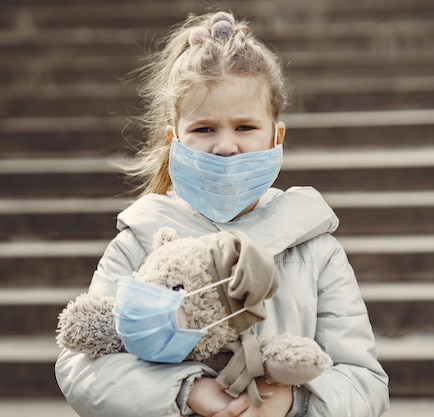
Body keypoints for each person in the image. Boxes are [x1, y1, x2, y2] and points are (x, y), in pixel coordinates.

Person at [55, 9, 390, 417]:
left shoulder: (318, 251)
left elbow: (363, 380)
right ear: (174, 139)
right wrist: (185, 391)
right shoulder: (139, 242)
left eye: (245, 127)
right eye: (204, 129)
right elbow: (84, 366)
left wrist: (291, 402)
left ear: (276, 136)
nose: (226, 146)